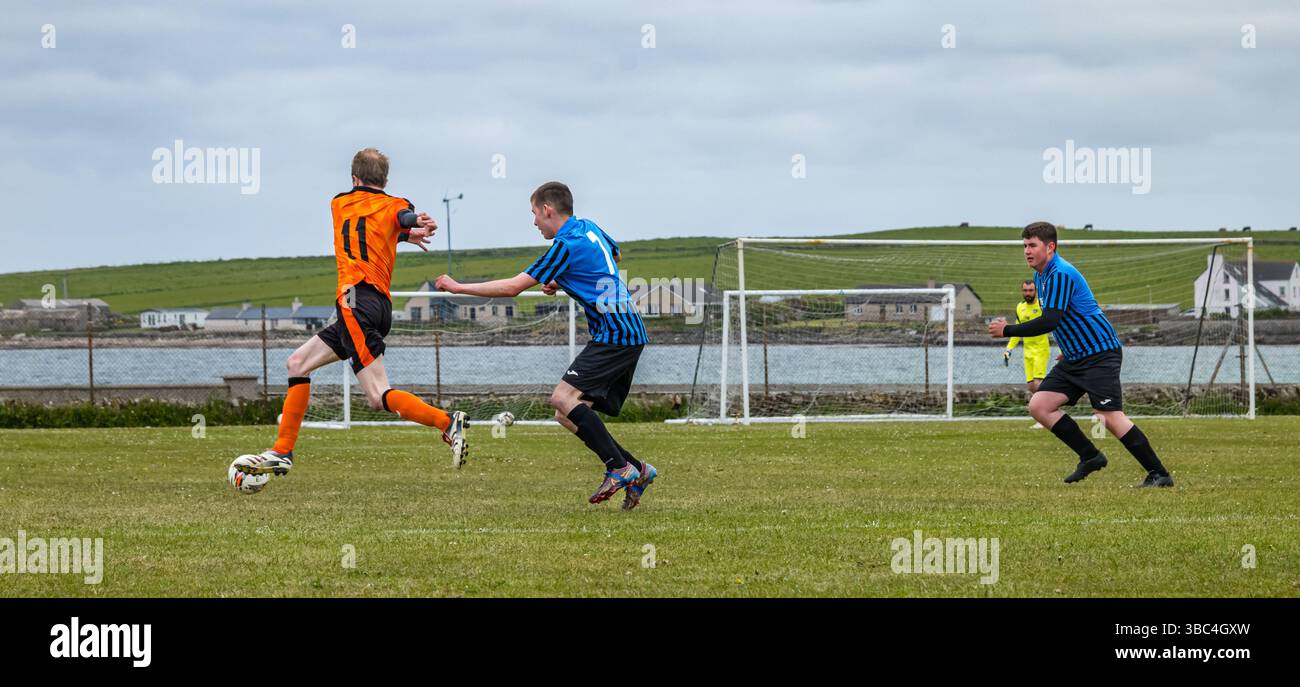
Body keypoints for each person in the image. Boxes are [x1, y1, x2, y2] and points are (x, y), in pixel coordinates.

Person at [237, 148, 469, 479]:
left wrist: (407, 228)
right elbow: (395, 217)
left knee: (377, 396)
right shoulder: (394, 204)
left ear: (354, 179)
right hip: (375, 306)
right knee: (297, 364)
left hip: (354, 301)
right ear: (386, 180)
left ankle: (447, 421)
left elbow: (368, 224)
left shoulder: (338, 203)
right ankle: (282, 450)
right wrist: (411, 225)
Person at [433, 181, 658, 509]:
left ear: (548, 210)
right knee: (565, 413)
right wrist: (563, 278)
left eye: (535, 214)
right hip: (626, 330)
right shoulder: (588, 228)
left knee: (562, 397)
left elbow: (512, 288)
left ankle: (619, 467)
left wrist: (457, 287)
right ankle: (638, 470)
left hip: (615, 333)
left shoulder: (564, 246)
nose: (534, 222)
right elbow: (613, 254)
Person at [988, 222, 1173, 487]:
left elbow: (1050, 321)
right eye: (1025, 246)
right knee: (1040, 406)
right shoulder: (1041, 276)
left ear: (1050, 247)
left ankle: (1159, 474)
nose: (1027, 251)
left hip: (1100, 353)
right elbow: (1067, 316)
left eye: (1033, 245)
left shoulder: (1060, 273)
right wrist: (1068, 348)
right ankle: (1090, 455)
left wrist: (1007, 330)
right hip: (1075, 356)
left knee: (1108, 416)